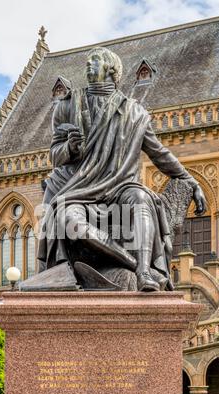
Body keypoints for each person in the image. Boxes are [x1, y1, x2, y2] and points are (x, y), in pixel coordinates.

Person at [37, 47, 206, 292]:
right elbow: (55, 155)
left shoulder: (134, 112)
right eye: (87, 62)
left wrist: (191, 181)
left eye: (94, 62)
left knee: (141, 199)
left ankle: (145, 273)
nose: (87, 65)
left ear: (111, 70)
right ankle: (133, 263)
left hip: (120, 189)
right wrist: (71, 149)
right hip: (81, 192)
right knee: (66, 217)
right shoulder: (67, 106)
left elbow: (159, 153)